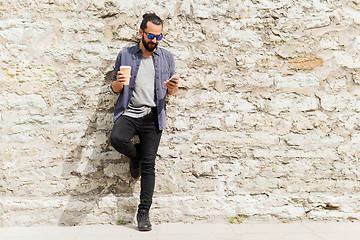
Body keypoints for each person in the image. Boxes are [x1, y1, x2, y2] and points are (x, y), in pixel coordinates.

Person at [109, 13, 179, 231]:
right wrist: (119, 84)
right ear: (141, 32)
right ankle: (135, 154)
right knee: (117, 139)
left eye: (159, 37)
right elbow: (114, 88)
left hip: (153, 115)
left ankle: (143, 214)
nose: (155, 40)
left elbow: (172, 92)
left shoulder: (167, 58)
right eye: (151, 36)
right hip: (129, 112)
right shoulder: (126, 55)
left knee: (149, 166)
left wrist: (173, 87)